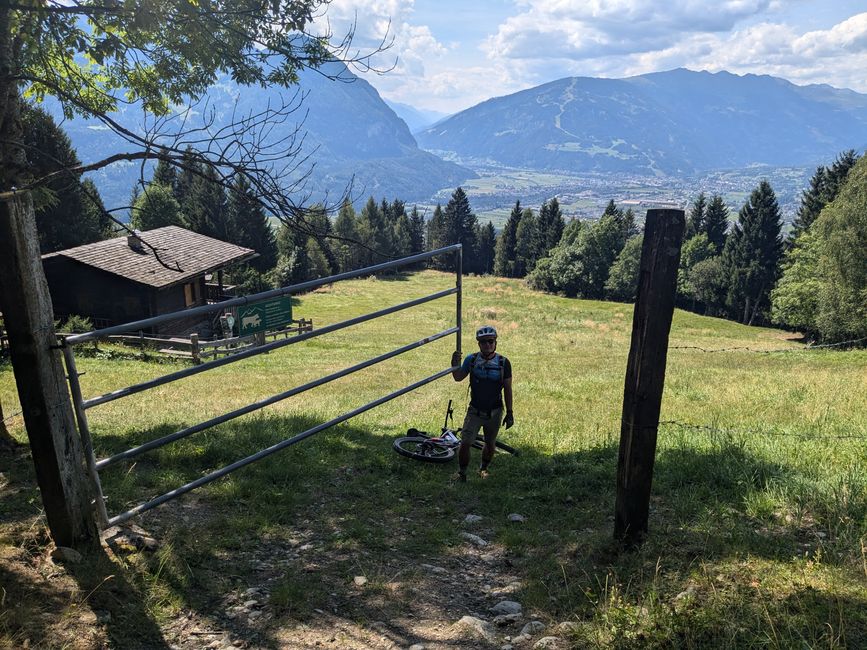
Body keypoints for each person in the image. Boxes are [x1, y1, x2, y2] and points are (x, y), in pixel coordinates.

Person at [450, 325, 513, 481]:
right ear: (479, 344)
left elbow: (507, 389)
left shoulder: (503, 363)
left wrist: (510, 413)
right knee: (465, 443)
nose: (487, 345)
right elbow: (458, 377)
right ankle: (462, 473)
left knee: (490, 443)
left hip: (495, 411)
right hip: (475, 411)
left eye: (490, 341)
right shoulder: (471, 360)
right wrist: (454, 364)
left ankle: (483, 469)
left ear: (495, 342)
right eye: (483, 342)